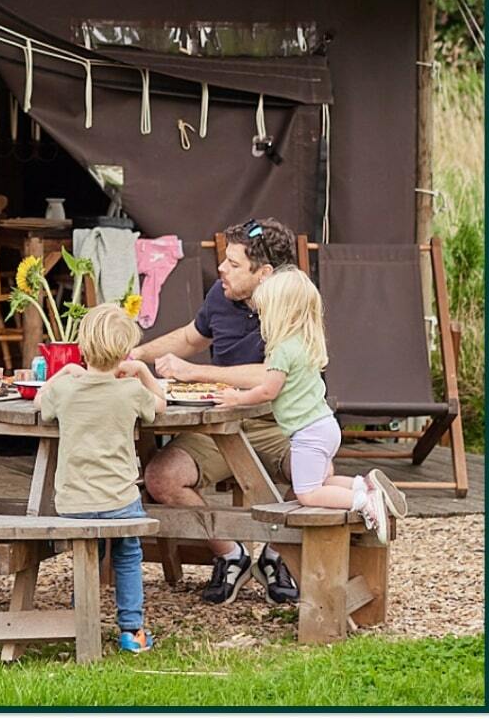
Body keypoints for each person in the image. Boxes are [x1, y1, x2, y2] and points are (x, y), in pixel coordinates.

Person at [131, 217, 299, 605]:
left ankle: (278, 554)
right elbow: (192, 336)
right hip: (219, 419)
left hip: (278, 420)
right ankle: (231, 554)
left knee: (316, 471)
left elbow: (275, 373)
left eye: (234, 264)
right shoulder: (221, 296)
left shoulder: (292, 303)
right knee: (161, 477)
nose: (221, 268)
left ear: (265, 274)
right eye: (224, 259)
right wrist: (136, 354)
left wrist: (196, 372)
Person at [214, 269, 408, 541]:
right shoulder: (304, 343)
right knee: (322, 481)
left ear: (279, 313)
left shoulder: (282, 350)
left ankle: (364, 501)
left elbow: (268, 390)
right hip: (326, 426)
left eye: (264, 311)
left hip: (308, 434)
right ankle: (363, 484)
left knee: (307, 493)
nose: (261, 318)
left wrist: (237, 398)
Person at [36, 305, 167, 653]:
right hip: (120, 499)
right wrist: (140, 370)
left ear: (82, 348)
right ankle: (132, 630)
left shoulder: (67, 390)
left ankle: (83, 620)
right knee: (127, 556)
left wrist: (63, 372)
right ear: (124, 352)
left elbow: (40, 400)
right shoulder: (130, 392)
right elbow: (160, 403)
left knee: (86, 556)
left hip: (74, 501)